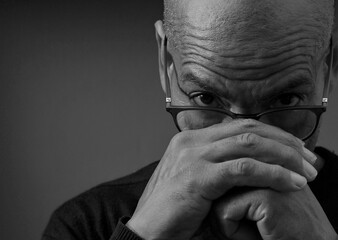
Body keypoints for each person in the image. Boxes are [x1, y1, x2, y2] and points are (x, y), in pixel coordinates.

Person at [42, 0, 338, 239]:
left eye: (286, 100)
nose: (246, 140)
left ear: (330, 67)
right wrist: (139, 236)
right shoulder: (86, 226)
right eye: (206, 98)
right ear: (166, 62)